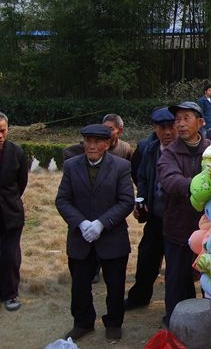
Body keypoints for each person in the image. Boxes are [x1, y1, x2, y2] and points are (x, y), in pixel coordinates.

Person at [55, 124, 134, 342]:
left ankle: (114, 323)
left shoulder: (121, 166)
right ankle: (83, 323)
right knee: (80, 284)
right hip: (80, 238)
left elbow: (126, 201)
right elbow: (62, 200)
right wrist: (81, 223)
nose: (91, 146)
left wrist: (101, 223)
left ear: (107, 144)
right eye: (87, 141)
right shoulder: (71, 165)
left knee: (115, 285)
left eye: (97, 141)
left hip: (112, 236)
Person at [157, 101, 211, 327]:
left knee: (210, 278)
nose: (179, 124)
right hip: (178, 226)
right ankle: (176, 323)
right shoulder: (170, 152)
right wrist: (200, 186)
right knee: (178, 280)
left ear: (200, 122)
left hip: (208, 228)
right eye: (177, 119)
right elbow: (169, 180)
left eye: (186, 118)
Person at [124, 107, 177, 310]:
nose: (167, 132)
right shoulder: (149, 149)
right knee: (147, 257)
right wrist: (142, 200)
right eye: (162, 128)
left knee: (176, 264)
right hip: (156, 215)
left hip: (178, 217)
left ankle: (174, 306)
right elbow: (143, 178)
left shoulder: (185, 149)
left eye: (171, 126)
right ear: (155, 128)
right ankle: (139, 297)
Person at [0, 112, 28, 312]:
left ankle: (10, 294)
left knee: (10, 255)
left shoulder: (17, 152)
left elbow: (21, 182)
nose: (0, 136)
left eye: (2, 131)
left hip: (11, 212)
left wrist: (10, 200)